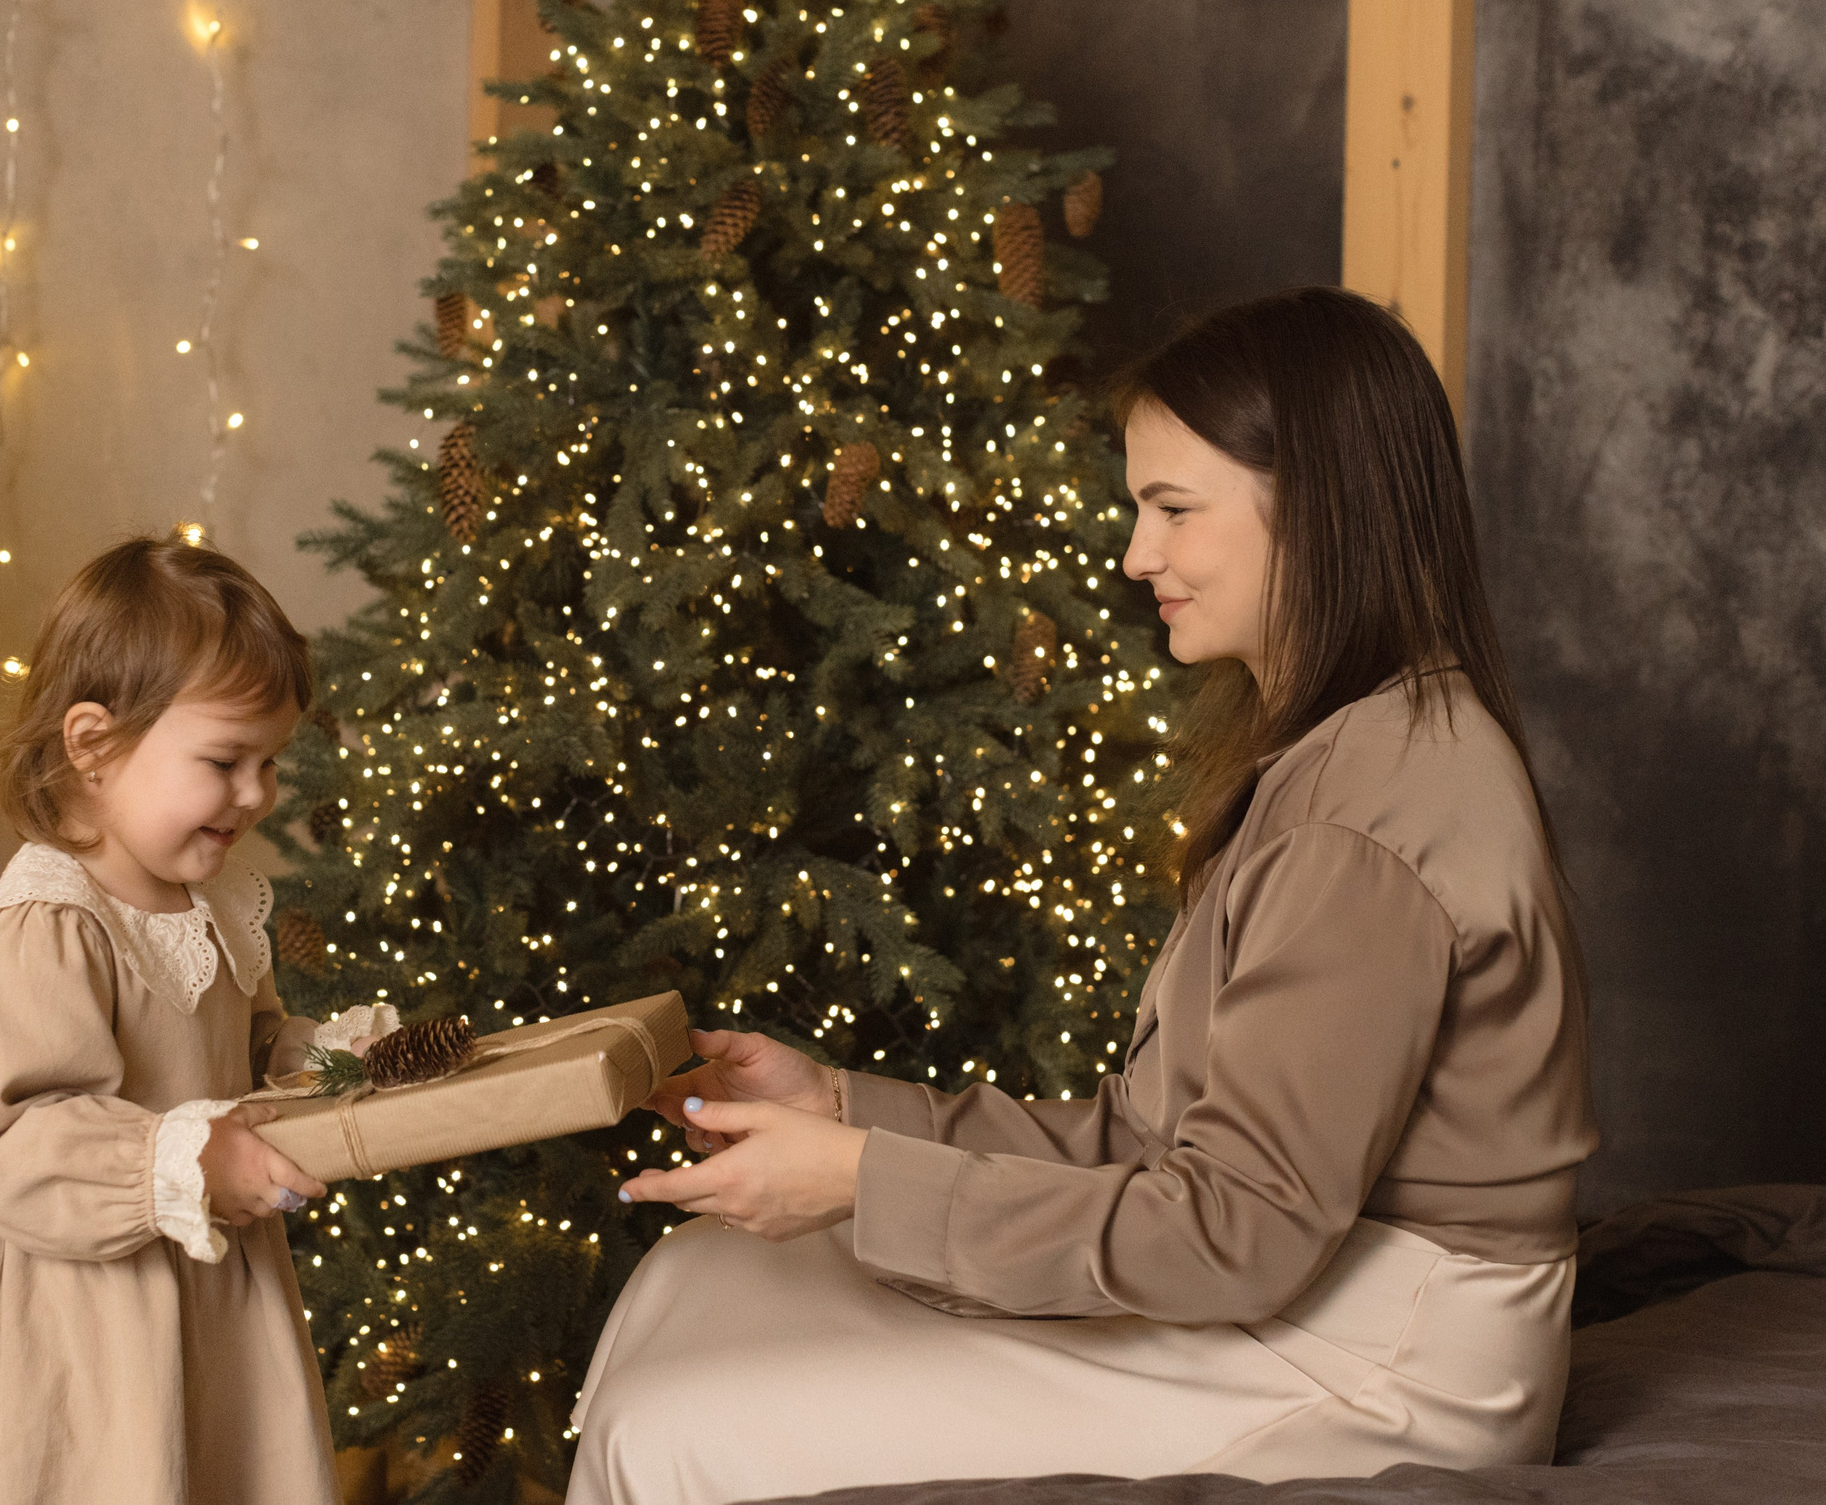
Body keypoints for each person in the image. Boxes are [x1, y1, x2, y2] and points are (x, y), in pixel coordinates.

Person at [568, 288, 1598, 1501]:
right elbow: (1150, 1140)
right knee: (704, 1279)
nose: (1134, 556)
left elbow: (1234, 1232)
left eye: (1171, 509)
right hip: (1305, 1292)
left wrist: (855, 1183)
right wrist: (843, 1106)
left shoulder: (1360, 822)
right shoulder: (1342, 749)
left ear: (1318, 511)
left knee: (678, 1425)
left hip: (1381, 1367)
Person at [0, 535, 387, 1505]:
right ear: (93, 744)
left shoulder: (217, 904)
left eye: (270, 762)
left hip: (202, 1286)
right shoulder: (45, 927)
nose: (257, 794)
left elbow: (252, 1046)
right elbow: (4, 1137)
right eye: (226, 760)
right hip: (70, 1316)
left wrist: (339, 1063)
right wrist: (184, 1163)